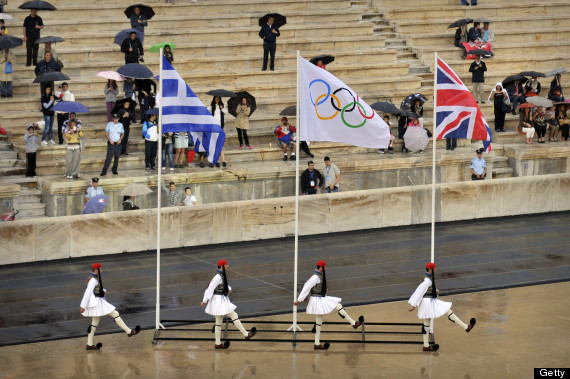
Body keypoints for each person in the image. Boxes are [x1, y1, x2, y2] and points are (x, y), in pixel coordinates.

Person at [294, 260, 364, 350]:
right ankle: (353, 323)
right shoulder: (315, 277)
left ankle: (317, 343)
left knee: (321, 320)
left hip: (319, 298)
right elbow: (306, 287)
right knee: (332, 310)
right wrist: (299, 300)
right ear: (321, 267)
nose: (326, 268)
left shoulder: (319, 276)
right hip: (316, 300)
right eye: (325, 266)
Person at [408, 262, 476, 352]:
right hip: (428, 303)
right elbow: (419, 292)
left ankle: (426, 346)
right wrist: (414, 305)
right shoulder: (427, 280)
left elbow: (427, 289)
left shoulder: (428, 278)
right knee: (445, 311)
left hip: (429, 301)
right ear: (430, 269)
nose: (436, 269)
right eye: (434, 268)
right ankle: (466, 327)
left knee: (427, 324)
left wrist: (435, 291)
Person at [80, 263, 140, 350]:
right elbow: (88, 292)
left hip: (97, 302)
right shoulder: (93, 280)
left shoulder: (94, 278)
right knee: (115, 314)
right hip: (97, 303)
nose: (102, 270)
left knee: (94, 324)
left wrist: (102, 291)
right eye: (100, 269)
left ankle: (89, 344)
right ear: (96, 270)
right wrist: (83, 306)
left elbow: (95, 290)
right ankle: (129, 331)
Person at [201, 260, 257, 349]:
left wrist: (229, 288)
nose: (228, 266)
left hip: (219, 301)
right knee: (234, 315)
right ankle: (246, 334)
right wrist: (204, 300)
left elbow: (224, 284)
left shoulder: (220, 275)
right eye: (226, 265)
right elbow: (210, 288)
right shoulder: (218, 277)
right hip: (219, 301)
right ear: (222, 266)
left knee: (218, 323)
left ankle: (218, 343)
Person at [209, 96, 227, 167]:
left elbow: (226, 112)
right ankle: (216, 160)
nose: (217, 100)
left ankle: (224, 160)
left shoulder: (222, 106)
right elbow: (206, 110)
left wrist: (222, 108)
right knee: (215, 145)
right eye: (216, 99)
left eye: (218, 99)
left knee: (221, 145)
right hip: (214, 128)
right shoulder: (212, 106)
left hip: (220, 127)